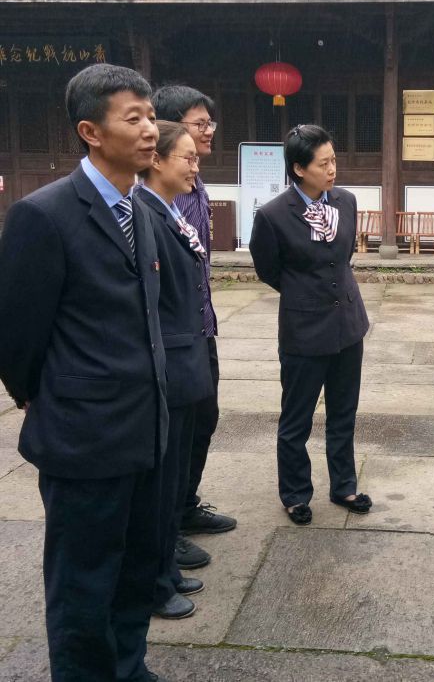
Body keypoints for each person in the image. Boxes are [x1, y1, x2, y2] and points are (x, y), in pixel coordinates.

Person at [0, 64, 170, 682]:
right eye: (134, 118)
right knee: (82, 584)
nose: (151, 130)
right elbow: (16, 335)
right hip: (83, 438)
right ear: (91, 132)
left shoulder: (140, 209)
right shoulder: (43, 215)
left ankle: (128, 666)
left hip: (145, 429)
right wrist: (43, 397)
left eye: (152, 116)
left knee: (136, 568)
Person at [250, 124, 372, 524]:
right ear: (299, 169)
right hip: (304, 330)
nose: (332, 169)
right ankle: (295, 493)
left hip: (348, 323)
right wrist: (305, 295)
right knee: (296, 418)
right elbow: (268, 269)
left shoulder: (346, 201)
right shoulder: (272, 216)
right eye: (323, 164)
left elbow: (344, 256)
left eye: (334, 160)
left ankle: (344, 485)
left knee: (344, 412)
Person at [151, 85, 235, 573]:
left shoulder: (195, 184)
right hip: (171, 335)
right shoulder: (151, 197)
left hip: (201, 324)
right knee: (175, 431)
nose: (208, 133)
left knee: (204, 418)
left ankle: (184, 505)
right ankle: (166, 529)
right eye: (199, 124)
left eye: (209, 123)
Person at [135, 121, 214, 621]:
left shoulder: (169, 210)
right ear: (157, 160)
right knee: (160, 485)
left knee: (175, 476)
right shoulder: (144, 213)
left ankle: (165, 566)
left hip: (186, 361)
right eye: (187, 157)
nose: (195, 166)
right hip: (169, 364)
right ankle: (154, 581)